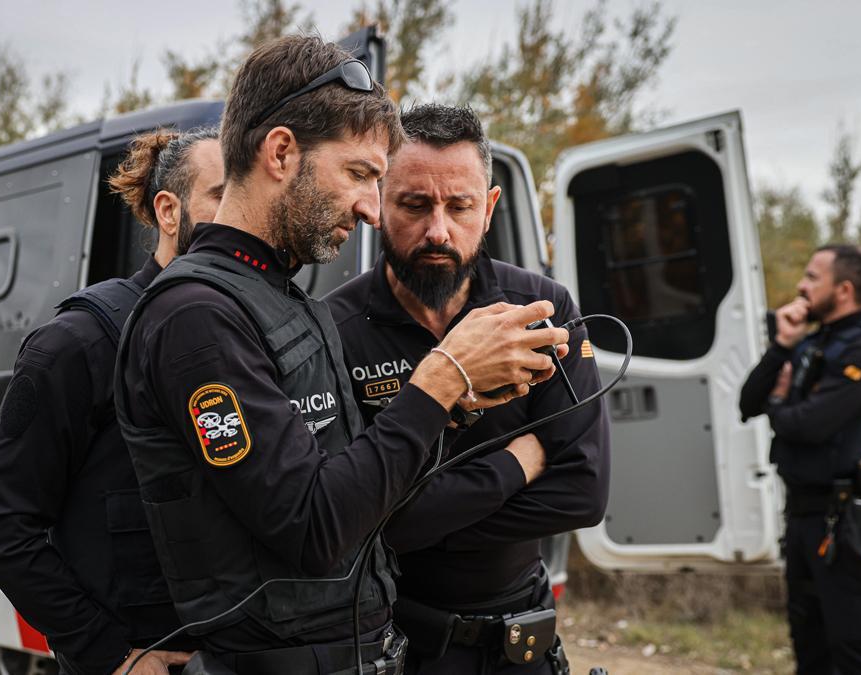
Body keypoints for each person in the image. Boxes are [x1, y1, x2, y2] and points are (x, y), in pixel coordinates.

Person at [113, 35, 570, 675]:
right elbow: (317, 529)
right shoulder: (197, 316)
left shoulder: (280, 296)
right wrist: (441, 379)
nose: (371, 209)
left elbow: (357, 487)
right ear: (280, 152)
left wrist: (455, 408)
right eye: (359, 174)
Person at [325, 104, 609, 674]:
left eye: (460, 206)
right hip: (395, 643)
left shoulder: (542, 309)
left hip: (521, 643)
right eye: (414, 204)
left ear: (490, 208)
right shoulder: (334, 328)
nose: (438, 230)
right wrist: (518, 463)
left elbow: (583, 491)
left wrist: (409, 518)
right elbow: (346, 520)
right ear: (379, 200)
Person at [0, 127, 224, 675]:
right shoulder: (77, 343)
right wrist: (112, 655)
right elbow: (2, 527)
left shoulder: (251, 340)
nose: (240, 217)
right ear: (169, 211)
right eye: (221, 196)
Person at [739, 244, 861, 675]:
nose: (801, 285)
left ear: (844, 289)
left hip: (851, 525)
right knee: (811, 654)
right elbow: (747, 402)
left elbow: (807, 425)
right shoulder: (810, 344)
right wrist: (780, 347)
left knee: (859, 659)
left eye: (813, 277)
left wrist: (779, 402)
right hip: (804, 519)